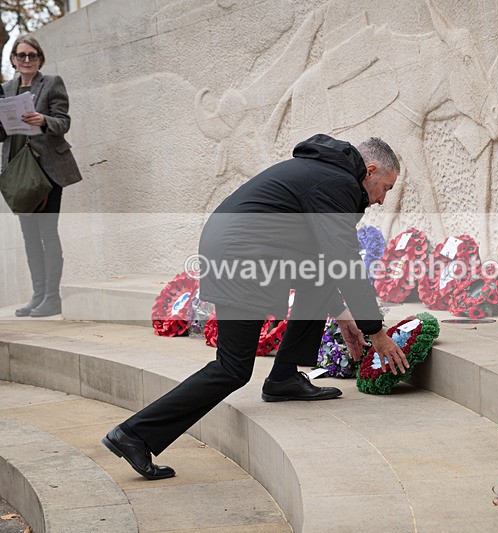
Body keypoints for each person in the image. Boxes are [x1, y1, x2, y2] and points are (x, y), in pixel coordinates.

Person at [103, 134, 410, 480]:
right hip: (240, 255)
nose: (383, 199)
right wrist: (376, 331)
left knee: (319, 276)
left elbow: (324, 259)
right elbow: (346, 261)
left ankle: (283, 378)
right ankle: (134, 434)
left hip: (247, 247)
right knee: (232, 368)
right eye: (385, 187)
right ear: (369, 170)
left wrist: (342, 315)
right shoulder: (337, 182)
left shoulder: (329, 174)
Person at [0, 35, 82, 318]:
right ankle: (37, 296)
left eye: (32, 55)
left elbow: (64, 122)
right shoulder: (5, 89)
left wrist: (43, 120)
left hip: (48, 171)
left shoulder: (52, 83)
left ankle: (52, 297)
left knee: (47, 234)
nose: (26, 60)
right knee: (30, 237)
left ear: (39, 59)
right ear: (13, 59)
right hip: (19, 172)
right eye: (21, 55)